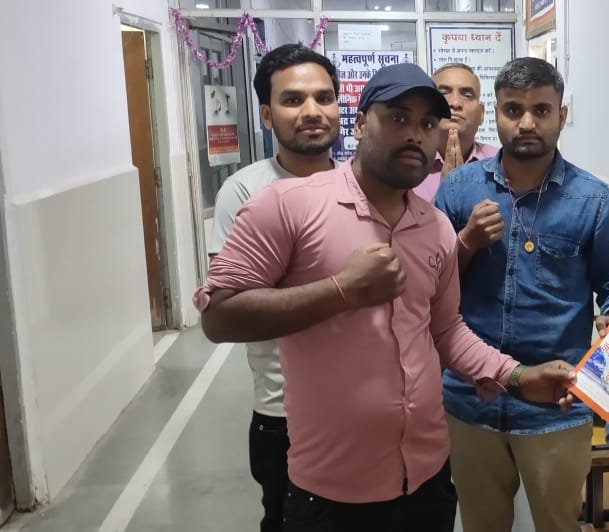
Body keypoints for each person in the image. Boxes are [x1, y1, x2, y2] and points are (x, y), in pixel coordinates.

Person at [194, 62, 577, 532]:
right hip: (330, 495)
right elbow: (219, 315)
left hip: (428, 483)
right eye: (398, 118)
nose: (415, 134)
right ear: (360, 122)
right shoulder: (286, 205)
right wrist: (342, 290)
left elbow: (446, 331)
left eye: (428, 123)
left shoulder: (436, 227)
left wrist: (518, 377)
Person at [434, 57, 609, 532]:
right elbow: (431, 288)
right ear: (496, 114)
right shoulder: (457, 191)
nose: (527, 123)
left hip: (557, 406)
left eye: (541, 110)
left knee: (558, 525)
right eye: (513, 109)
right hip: (471, 398)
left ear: (561, 116)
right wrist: (466, 241)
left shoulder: (594, 200)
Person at [205, 43, 341, 532]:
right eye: (292, 100)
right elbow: (227, 314)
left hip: (362, 405)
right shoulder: (246, 192)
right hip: (284, 413)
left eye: (323, 97)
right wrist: (343, 289)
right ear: (266, 115)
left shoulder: (361, 185)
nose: (312, 111)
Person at [413, 62, 498, 201]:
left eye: (467, 95)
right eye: (444, 93)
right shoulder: (408, 161)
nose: (455, 103)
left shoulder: (500, 162)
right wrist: (444, 196)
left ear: (481, 113)